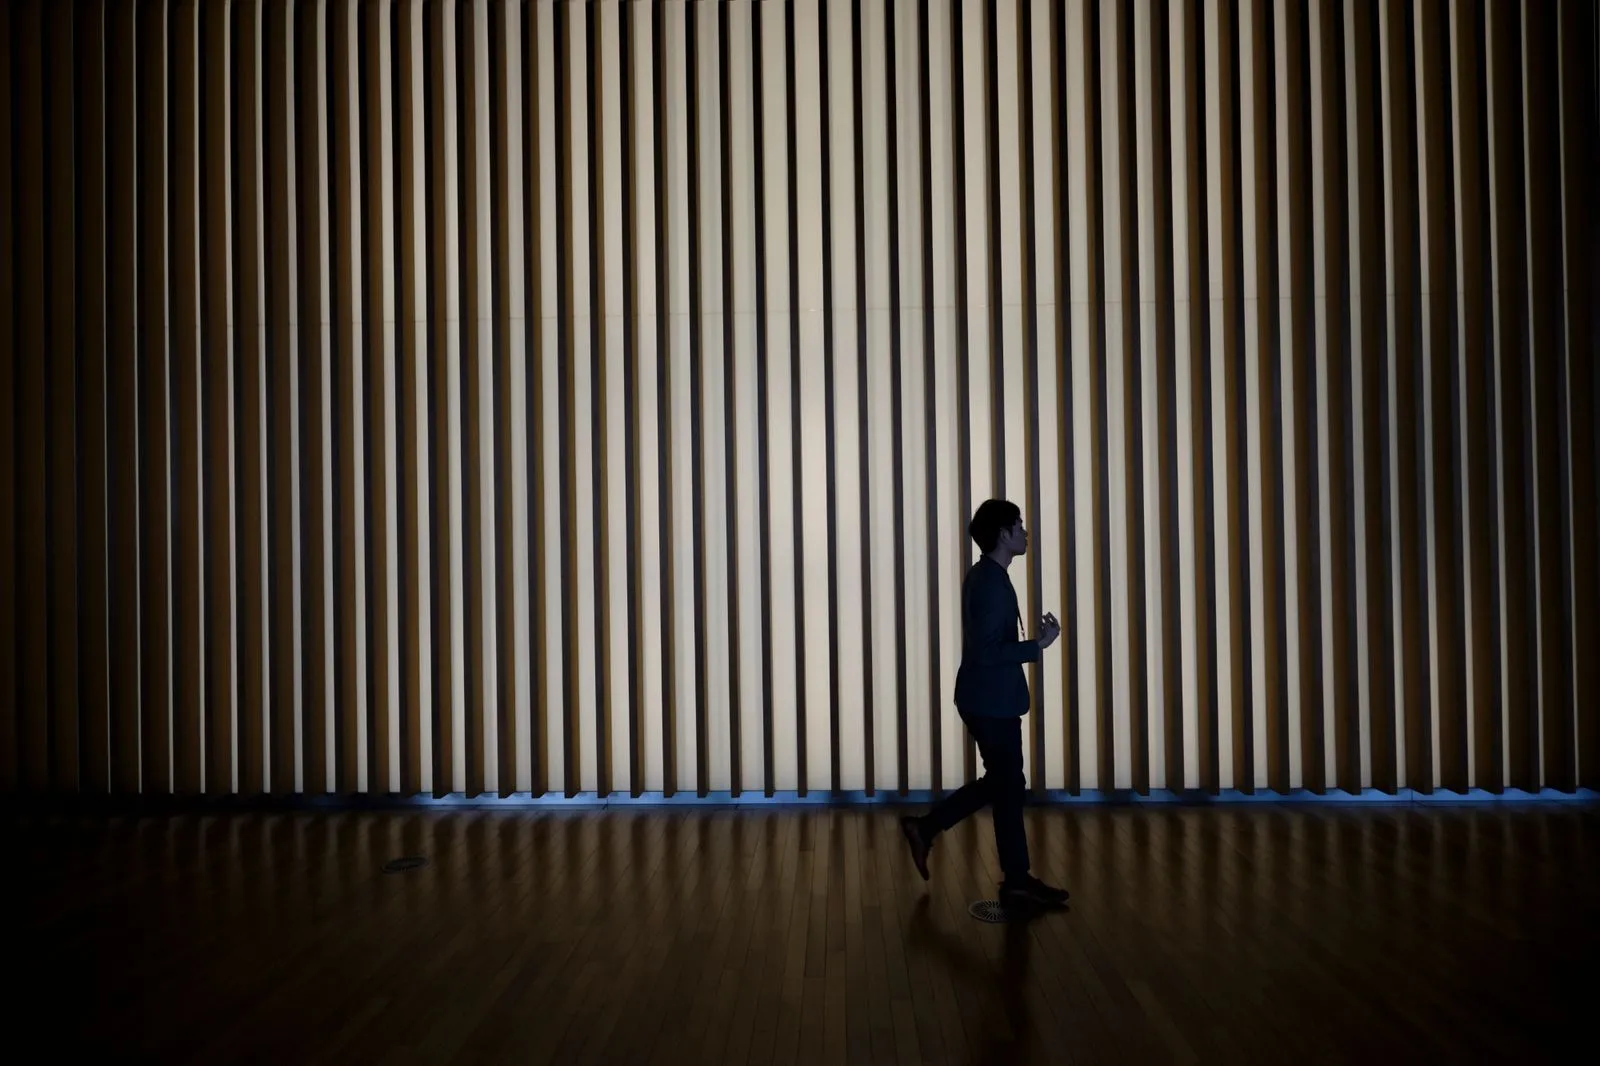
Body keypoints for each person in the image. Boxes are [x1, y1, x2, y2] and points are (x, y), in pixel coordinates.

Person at [900, 499, 1070, 909]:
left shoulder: (986, 576)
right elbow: (989, 652)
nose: (1025, 532)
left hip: (985, 699)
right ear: (1003, 534)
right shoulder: (992, 583)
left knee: (1006, 786)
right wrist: (1038, 645)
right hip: (991, 702)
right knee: (1007, 785)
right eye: (1019, 525)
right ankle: (932, 832)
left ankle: (1012, 877)